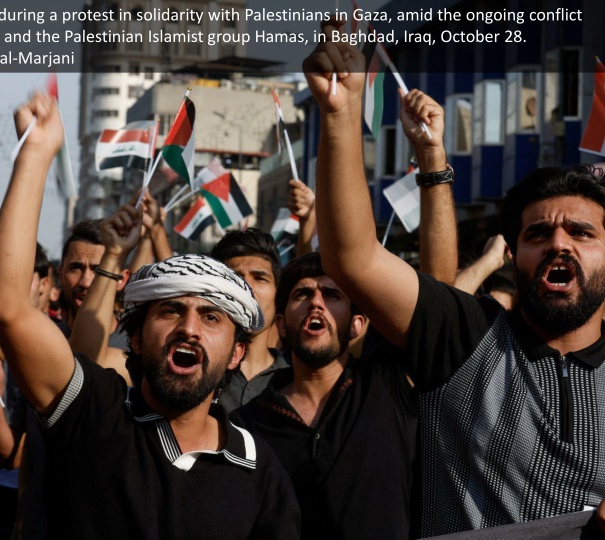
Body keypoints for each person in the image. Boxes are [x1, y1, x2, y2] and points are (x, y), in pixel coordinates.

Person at [305, 16, 605, 536]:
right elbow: (353, 258)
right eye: (538, 236)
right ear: (511, 255)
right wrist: (341, 113)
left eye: (581, 233)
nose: (558, 243)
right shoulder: (468, 337)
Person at [0, 92, 300, 538]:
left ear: (235, 353)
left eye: (212, 318)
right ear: (134, 337)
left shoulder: (259, 469)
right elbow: (9, 306)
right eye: (171, 310)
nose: (189, 329)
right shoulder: (93, 413)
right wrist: (35, 155)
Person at [233, 252, 421, 539]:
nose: (316, 303)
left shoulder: (387, 384)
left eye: (332, 295)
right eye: (302, 294)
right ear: (282, 325)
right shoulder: (246, 427)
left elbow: (430, 294)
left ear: (357, 324)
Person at [210, 229, 291, 413]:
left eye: (260, 278)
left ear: (278, 296)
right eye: (236, 278)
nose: (247, 289)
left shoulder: (296, 378)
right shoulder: (194, 370)